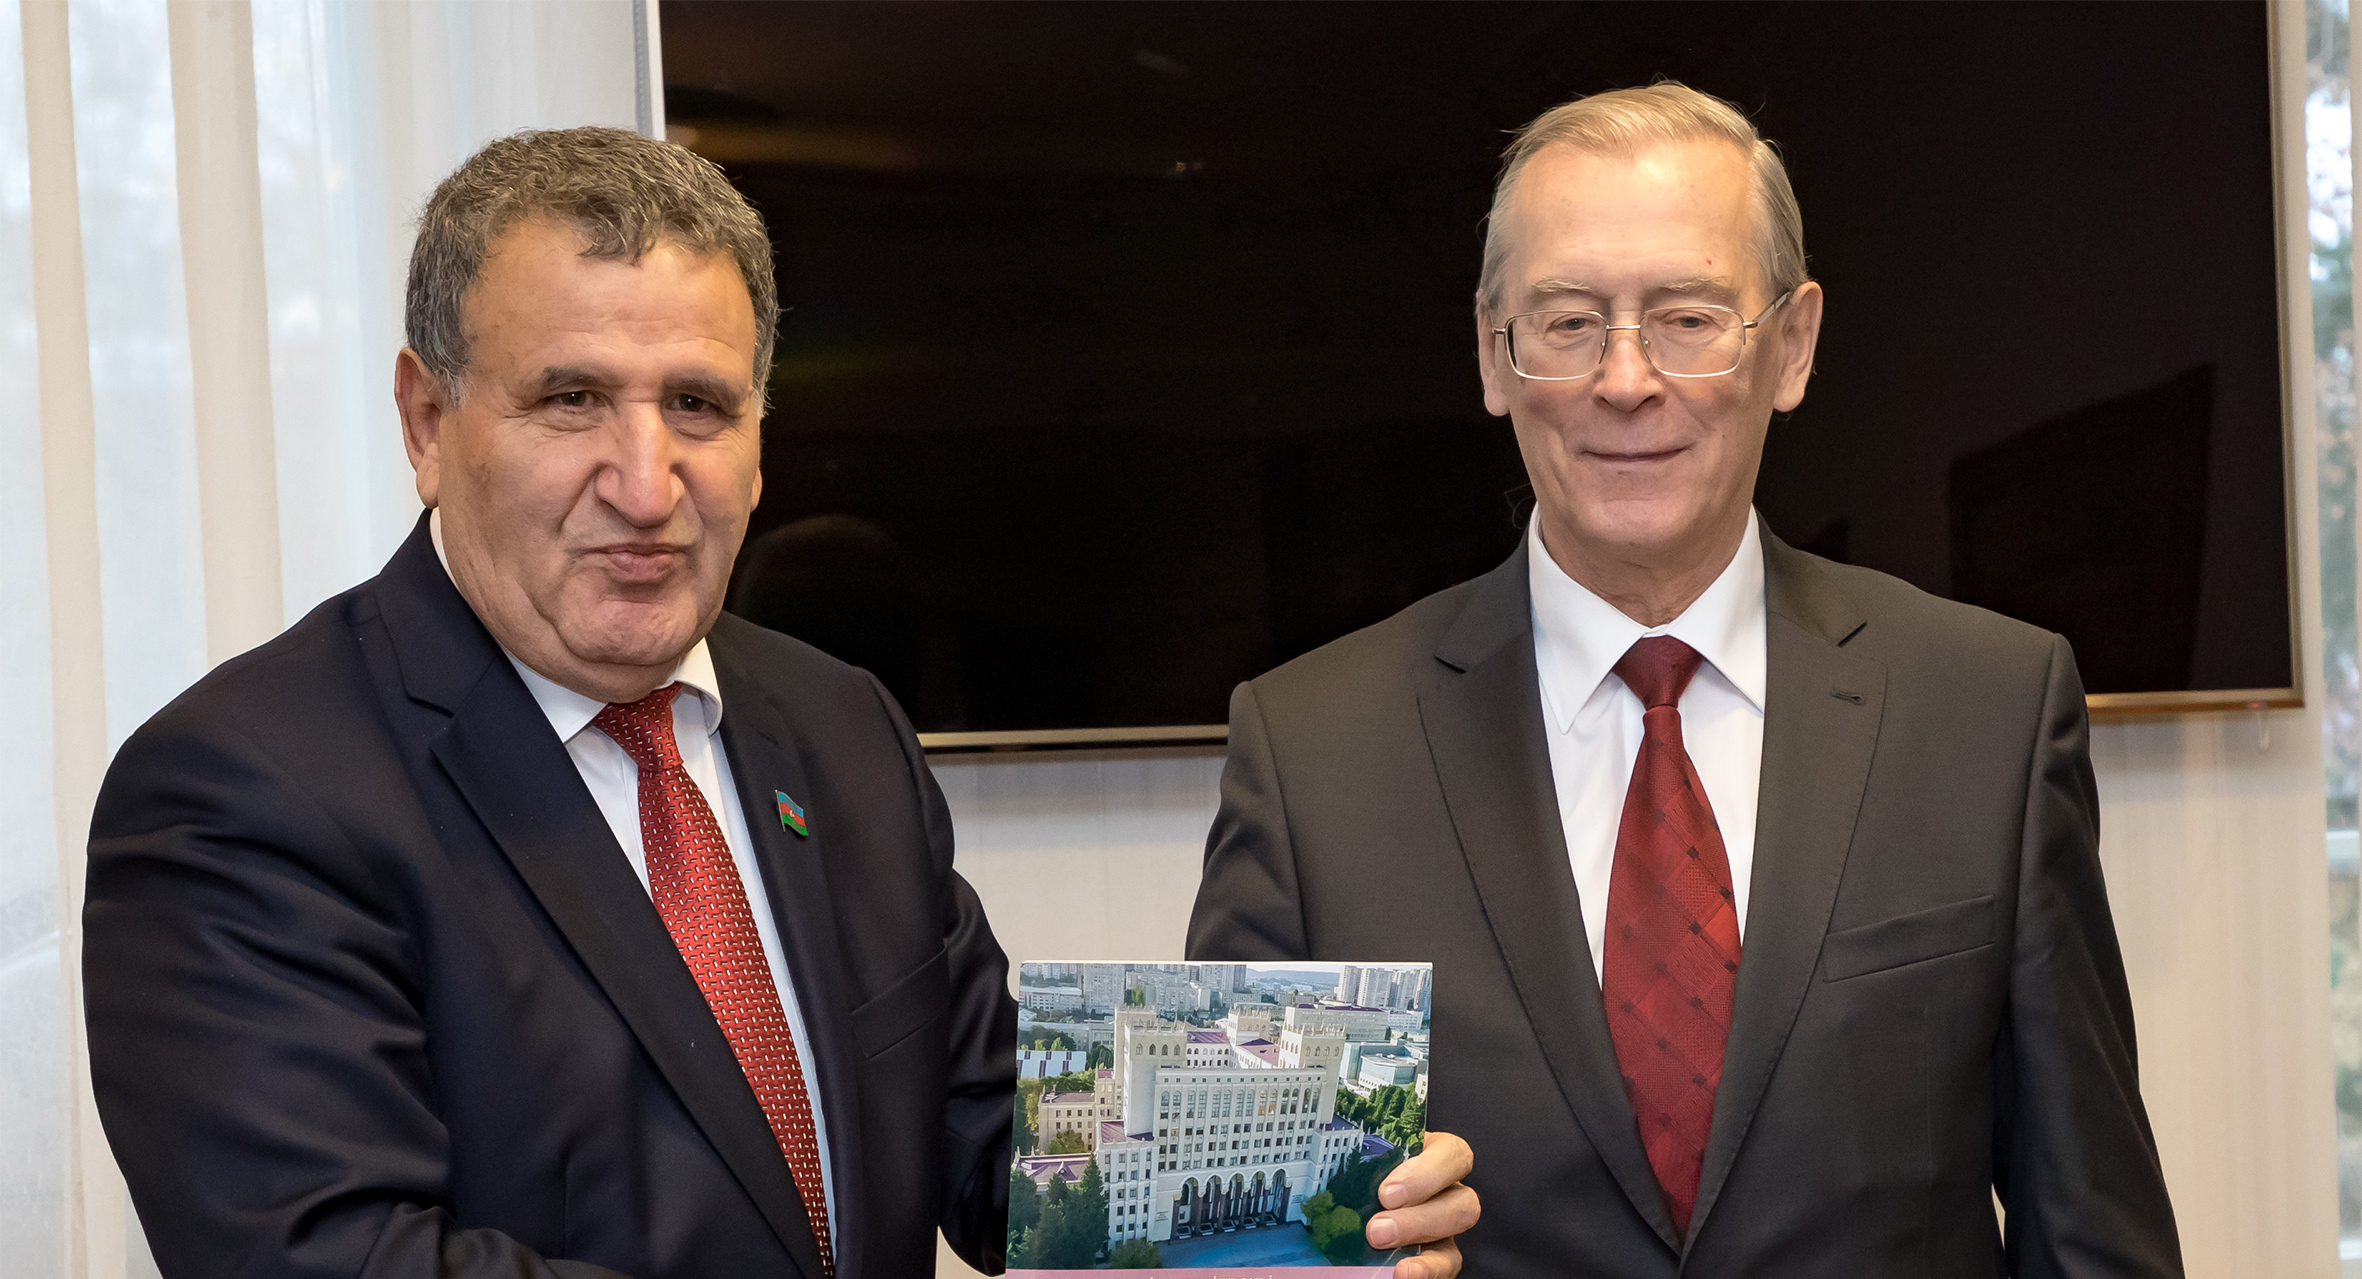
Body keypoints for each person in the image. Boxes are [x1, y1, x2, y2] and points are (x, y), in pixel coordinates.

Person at [84, 125, 1472, 1279]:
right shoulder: (242, 793)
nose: (646, 482)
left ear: (759, 439)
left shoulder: (837, 723)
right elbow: (337, 1255)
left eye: (697, 404)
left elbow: (990, 1134)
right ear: (427, 422)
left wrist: (1310, 1192)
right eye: (571, 399)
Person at [1187, 83, 2183, 1276]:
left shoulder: (1988, 711)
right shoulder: (1311, 757)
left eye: (1687, 317)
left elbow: (2092, 1237)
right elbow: (1223, 1245)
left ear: (1791, 346)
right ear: (1494, 354)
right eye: (1566, 321)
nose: (1624, 379)